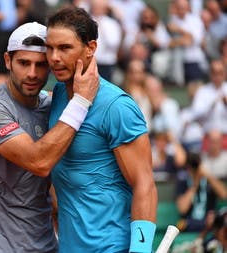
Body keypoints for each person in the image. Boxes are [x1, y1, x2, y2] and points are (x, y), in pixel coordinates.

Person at [0, 21, 99, 253]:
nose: (32, 73)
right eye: (24, 63)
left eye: (41, 65)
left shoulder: (51, 106)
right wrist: (81, 101)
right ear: (8, 61)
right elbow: (39, 162)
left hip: (44, 245)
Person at [45, 6, 157, 253]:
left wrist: (140, 250)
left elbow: (144, 183)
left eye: (64, 48)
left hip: (112, 247)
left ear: (91, 48)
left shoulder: (117, 106)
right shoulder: (60, 94)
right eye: (50, 47)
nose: (54, 57)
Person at [176, 152, 227, 232]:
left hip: (208, 221)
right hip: (188, 221)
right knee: (180, 224)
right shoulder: (183, 181)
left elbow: (224, 195)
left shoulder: (210, 180)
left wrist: (207, 175)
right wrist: (195, 185)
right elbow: (182, 209)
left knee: (216, 222)